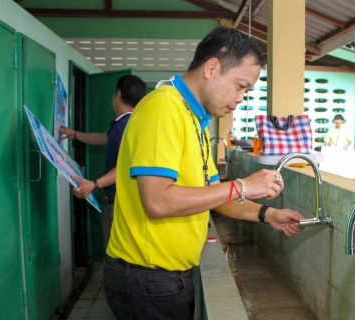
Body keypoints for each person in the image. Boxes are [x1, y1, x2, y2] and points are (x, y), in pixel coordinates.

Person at [103, 26, 304, 319]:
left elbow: (214, 196)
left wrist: (268, 215)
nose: (240, 99)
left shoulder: (193, 118)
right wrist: (241, 186)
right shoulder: (163, 109)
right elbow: (158, 202)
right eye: (240, 85)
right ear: (212, 67)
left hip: (166, 276)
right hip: (147, 278)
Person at [58, 75, 147, 251]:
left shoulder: (127, 125)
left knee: (117, 263)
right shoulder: (122, 123)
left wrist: (94, 184)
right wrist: (74, 134)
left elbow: (127, 164)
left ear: (118, 95)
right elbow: (101, 138)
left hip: (120, 207)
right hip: (118, 204)